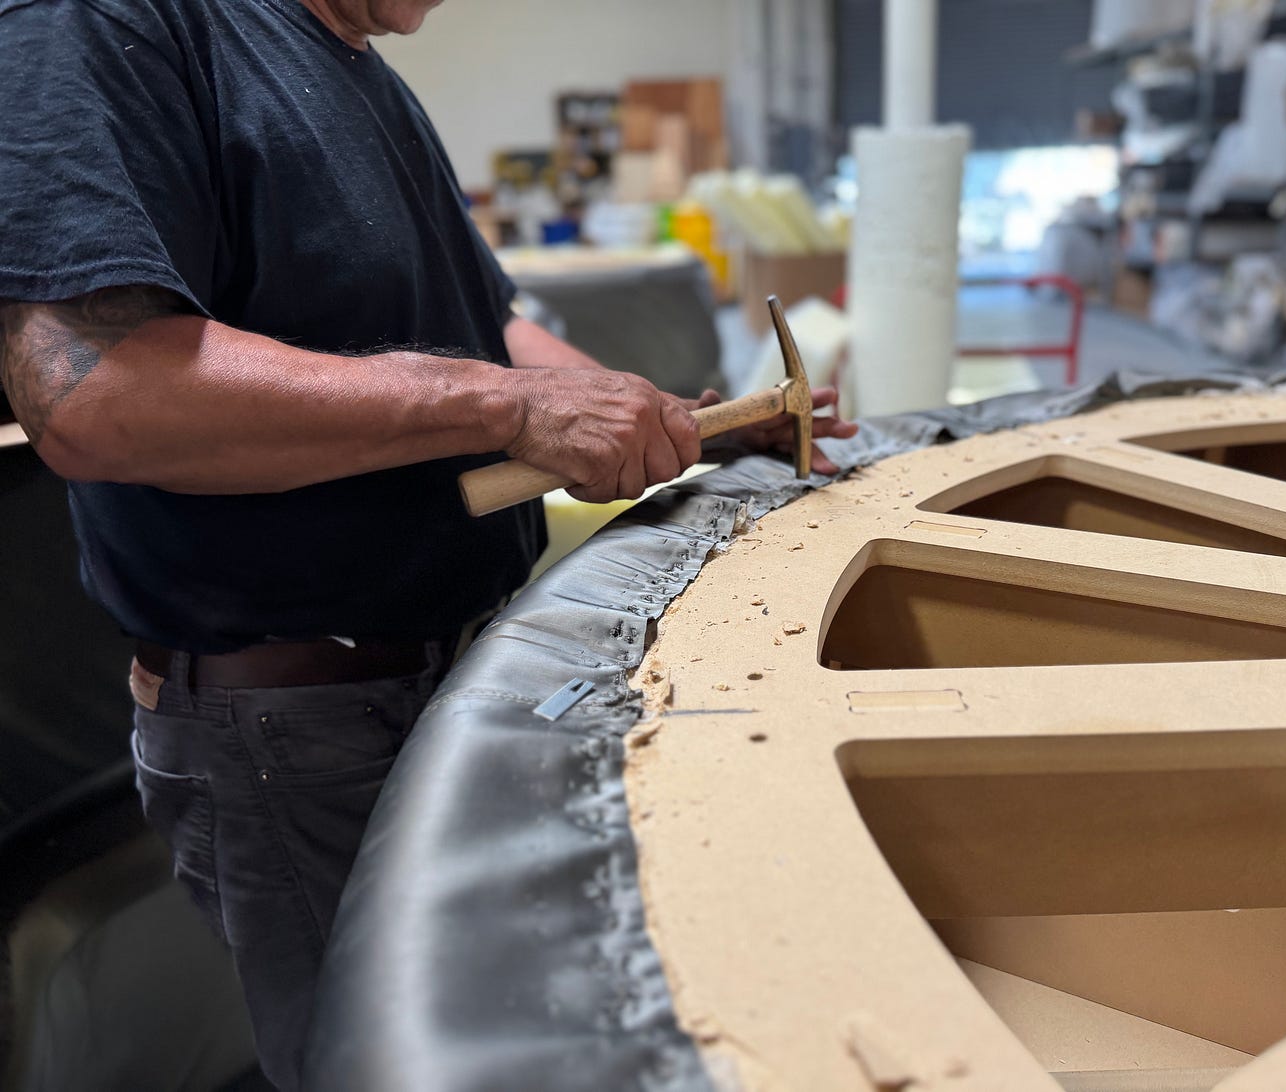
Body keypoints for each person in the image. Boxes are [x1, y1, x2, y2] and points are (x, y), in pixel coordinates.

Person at [0, 0, 856, 1087]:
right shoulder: (103, 24)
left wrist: (668, 417)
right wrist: (507, 407)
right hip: (292, 724)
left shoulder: (362, 73)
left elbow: (488, 329)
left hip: (448, 676)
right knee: (395, 1066)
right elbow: (97, 393)